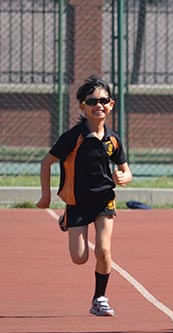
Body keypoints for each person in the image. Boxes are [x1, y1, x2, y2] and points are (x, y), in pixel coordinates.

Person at [36, 75, 132, 316]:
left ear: (111, 105)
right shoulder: (73, 137)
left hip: (104, 200)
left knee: (104, 250)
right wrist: (45, 195)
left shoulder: (113, 139)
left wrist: (124, 178)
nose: (98, 105)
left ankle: (100, 298)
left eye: (103, 100)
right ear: (82, 106)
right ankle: (66, 218)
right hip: (77, 202)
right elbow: (47, 162)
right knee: (79, 258)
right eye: (92, 102)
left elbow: (125, 169)